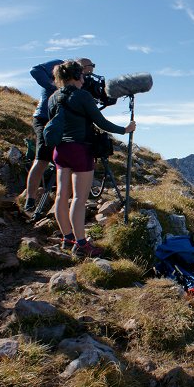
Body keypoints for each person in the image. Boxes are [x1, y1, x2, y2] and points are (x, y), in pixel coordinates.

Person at [48, 60, 135, 257]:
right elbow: (101, 122)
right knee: (79, 198)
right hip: (80, 150)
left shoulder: (53, 98)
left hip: (60, 151)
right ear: (78, 76)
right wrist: (125, 129)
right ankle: (81, 244)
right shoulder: (82, 96)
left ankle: (67, 238)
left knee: (62, 195)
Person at [23, 58, 98, 212]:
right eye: (89, 69)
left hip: (67, 122)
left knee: (67, 159)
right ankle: (30, 199)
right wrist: (55, 87)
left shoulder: (79, 82)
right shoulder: (60, 64)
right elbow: (35, 70)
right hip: (45, 117)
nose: (89, 74)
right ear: (82, 67)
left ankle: (65, 200)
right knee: (42, 157)